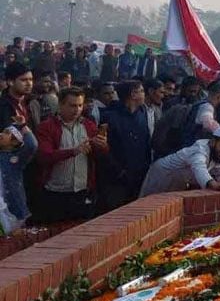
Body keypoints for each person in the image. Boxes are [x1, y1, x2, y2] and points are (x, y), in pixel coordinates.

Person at [35, 87, 108, 222]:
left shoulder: (89, 125)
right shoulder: (46, 127)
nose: (77, 110)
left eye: (80, 105)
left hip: (82, 191)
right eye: (72, 105)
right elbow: (44, 156)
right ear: (60, 105)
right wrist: (73, 151)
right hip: (56, 192)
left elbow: (99, 156)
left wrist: (102, 146)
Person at [99, 80, 151, 211]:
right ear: (133, 94)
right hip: (116, 178)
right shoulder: (110, 116)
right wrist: (119, 171)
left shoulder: (142, 113)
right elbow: (104, 148)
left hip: (139, 174)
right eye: (141, 91)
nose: (144, 94)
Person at [139, 127, 220, 196]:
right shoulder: (200, 150)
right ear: (213, 141)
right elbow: (199, 168)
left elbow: (219, 171)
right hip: (162, 175)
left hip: (177, 181)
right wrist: (214, 184)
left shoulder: (215, 154)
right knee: (146, 206)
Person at [0, 118, 37, 227]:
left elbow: (31, 145)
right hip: (1, 206)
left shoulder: (16, 159)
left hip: (14, 206)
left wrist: (23, 126)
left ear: (15, 141)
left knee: (16, 232)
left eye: (6, 133)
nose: (1, 134)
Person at [181, 81, 220, 147]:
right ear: (219, 96)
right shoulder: (207, 107)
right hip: (193, 146)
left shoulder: (200, 103)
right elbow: (208, 124)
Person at [0, 63, 33, 129]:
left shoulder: (34, 101)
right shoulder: (2, 106)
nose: (29, 83)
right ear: (11, 82)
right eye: (23, 80)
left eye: (31, 79)